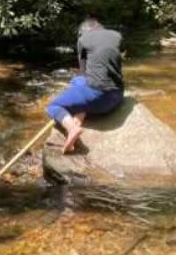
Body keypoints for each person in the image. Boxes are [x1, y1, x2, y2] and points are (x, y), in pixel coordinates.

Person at [45, 17, 124, 154]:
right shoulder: (117, 35)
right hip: (118, 95)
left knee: (53, 106)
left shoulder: (83, 40)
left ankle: (72, 128)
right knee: (78, 81)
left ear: (83, 32)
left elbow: (84, 73)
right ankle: (80, 113)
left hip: (100, 99)